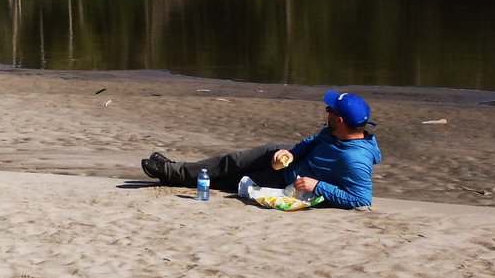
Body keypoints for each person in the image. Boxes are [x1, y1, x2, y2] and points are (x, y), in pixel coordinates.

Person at [141, 90, 382, 210]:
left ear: (340, 120)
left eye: (330, 110)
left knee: (229, 180)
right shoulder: (332, 131)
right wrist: (292, 152)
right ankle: (173, 170)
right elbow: (312, 140)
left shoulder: (355, 159)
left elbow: (361, 199)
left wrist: (318, 186)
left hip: (286, 182)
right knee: (230, 161)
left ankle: (172, 172)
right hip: (282, 159)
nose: (327, 112)